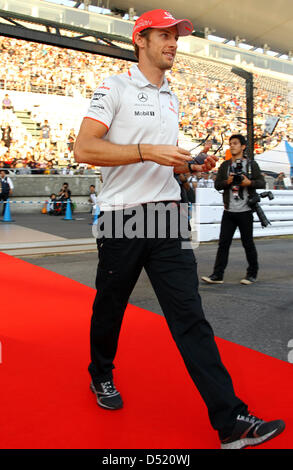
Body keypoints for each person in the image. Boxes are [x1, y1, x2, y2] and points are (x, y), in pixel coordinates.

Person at [73, 10, 285, 449]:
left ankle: (231, 422)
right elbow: (85, 148)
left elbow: (161, 162)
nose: (173, 44)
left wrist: (189, 166)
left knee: (191, 318)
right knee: (111, 306)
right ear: (141, 40)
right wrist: (148, 151)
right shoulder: (114, 86)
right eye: (165, 36)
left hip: (166, 214)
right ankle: (100, 374)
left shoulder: (171, 96)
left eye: (176, 37)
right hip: (122, 216)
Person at [202, 134, 266, 286]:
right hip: (229, 211)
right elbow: (218, 185)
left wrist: (249, 182)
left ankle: (252, 273)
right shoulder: (225, 166)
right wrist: (228, 181)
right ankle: (217, 275)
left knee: (247, 243)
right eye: (231, 143)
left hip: (245, 211)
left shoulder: (251, 165)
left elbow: (261, 183)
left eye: (235, 143)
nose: (232, 146)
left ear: (243, 146)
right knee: (223, 244)